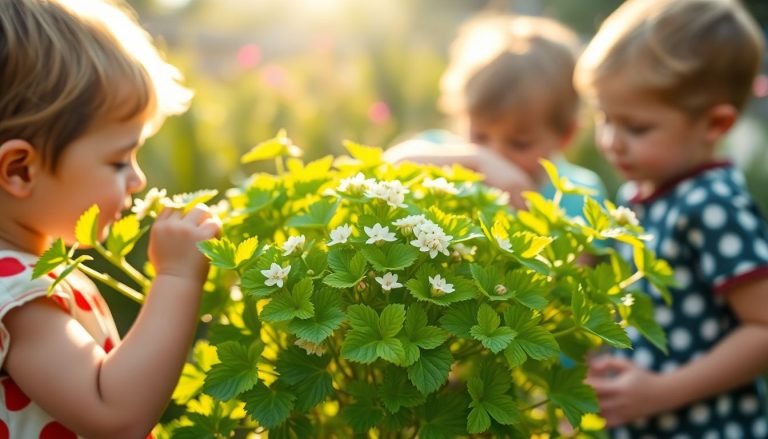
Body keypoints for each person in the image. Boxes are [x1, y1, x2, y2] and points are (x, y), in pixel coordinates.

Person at [0, 1, 220, 437]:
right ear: (21, 170)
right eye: (119, 161)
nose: (137, 179)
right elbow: (113, 412)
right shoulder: (16, 293)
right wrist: (175, 277)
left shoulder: (25, 274)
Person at [574, 0, 768, 437]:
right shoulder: (641, 195)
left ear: (715, 124)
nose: (610, 141)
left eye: (636, 128)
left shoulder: (712, 206)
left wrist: (661, 391)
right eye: (604, 117)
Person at [384, 13, 607, 215]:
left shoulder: (579, 192)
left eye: (520, 144)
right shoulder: (442, 151)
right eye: (480, 135)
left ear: (565, 136)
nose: (495, 155)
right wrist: (476, 160)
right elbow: (388, 165)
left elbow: (580, 260)